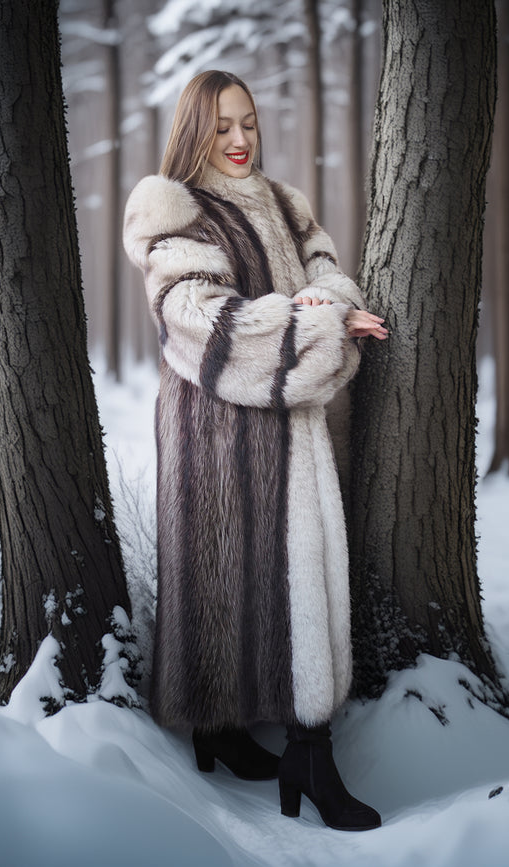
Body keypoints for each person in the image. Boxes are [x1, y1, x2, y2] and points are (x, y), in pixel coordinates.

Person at [123, 70, 387, 832]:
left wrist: (328, 303)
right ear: (194, 131)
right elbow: (199, 321)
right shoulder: (172, 209)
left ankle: (307, 749)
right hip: (214, 427)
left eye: (248, 122)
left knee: (297, 578)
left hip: (289, 422)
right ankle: (223, 727)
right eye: (221, 127)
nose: (239, 140)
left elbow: (330, 275)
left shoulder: (283, 202)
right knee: (222, 577)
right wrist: (315, 328)